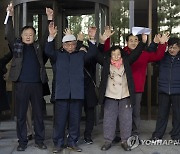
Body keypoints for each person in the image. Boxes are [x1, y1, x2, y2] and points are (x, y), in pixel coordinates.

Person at [45, 22, 98, 153]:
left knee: (75, 120)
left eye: (73, 44)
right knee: (60, 121)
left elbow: (92, 53)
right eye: (68, 44)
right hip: (61, 94)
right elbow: (47, 51)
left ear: (76, 45)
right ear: (63, 46)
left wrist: (91, 39)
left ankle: (72, 142)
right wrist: (51, 37)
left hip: (77, 94)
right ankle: (58, 143)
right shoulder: (57, 55)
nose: (70, 47)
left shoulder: (80, 55)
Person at [5, 4, 50, 151]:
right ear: (22, 36)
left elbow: (46, 36)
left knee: (38, 114)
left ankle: (40, 140)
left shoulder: (38, 46)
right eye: (26, 34)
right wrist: (10, 16)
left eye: (31, 34)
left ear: (34, 36)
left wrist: (50, 20)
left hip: (37, 85)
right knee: (21, 115)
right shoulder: (17, 45)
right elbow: (9, 32)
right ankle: (22, 142)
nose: (28, 36)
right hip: (21, 85)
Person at [96, 34, 147, 151]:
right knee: (109, 119)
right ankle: (108, 141)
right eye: (113, 54)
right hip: (110, 95)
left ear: (122, 55)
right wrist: (101, 41)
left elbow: (136, 53)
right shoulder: (106, 62)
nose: (116, 56)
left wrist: (143, 42)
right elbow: (96, 54)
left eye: (118, 54)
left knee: (126, 119)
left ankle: (125, 141)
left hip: (125, 94)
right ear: (110, 55)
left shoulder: (127, 61)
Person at [123, 33, 169, 136]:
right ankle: (121, 133)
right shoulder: (122, 53)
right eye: (131, 40)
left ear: (139, 42)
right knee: (123, 112)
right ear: (127, 42)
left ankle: (135, 134)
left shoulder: (143, 54)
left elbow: (158, 56)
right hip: (123, 88)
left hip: (137, 88)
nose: (133, 42)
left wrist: (162, 44)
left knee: (135, 112)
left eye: (136, 40)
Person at [151, 37, 180, 141]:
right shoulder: (162, 57)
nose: (172, 50)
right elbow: (151, 52)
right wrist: (156, 43)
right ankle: (157, 135)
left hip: (178, 92)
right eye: (171, 47)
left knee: (178, 115)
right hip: (163, 91)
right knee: (162, 115)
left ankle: (176, 136)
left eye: (175, 48)